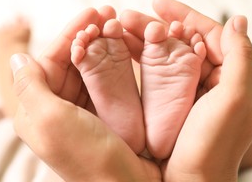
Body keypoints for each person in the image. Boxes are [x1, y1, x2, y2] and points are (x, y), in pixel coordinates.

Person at [0, 0, 252, 182]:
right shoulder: (210, 172)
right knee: (235, 139)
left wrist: (8, 48)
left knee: (32, 110)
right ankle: (190, 117)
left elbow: (18, 109)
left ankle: (124, 124)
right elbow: (244, 141)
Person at [70, 18, 206, 159]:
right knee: (137, 72)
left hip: (109, 160)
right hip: (180, 156)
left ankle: (124, 125)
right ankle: (155, 126)